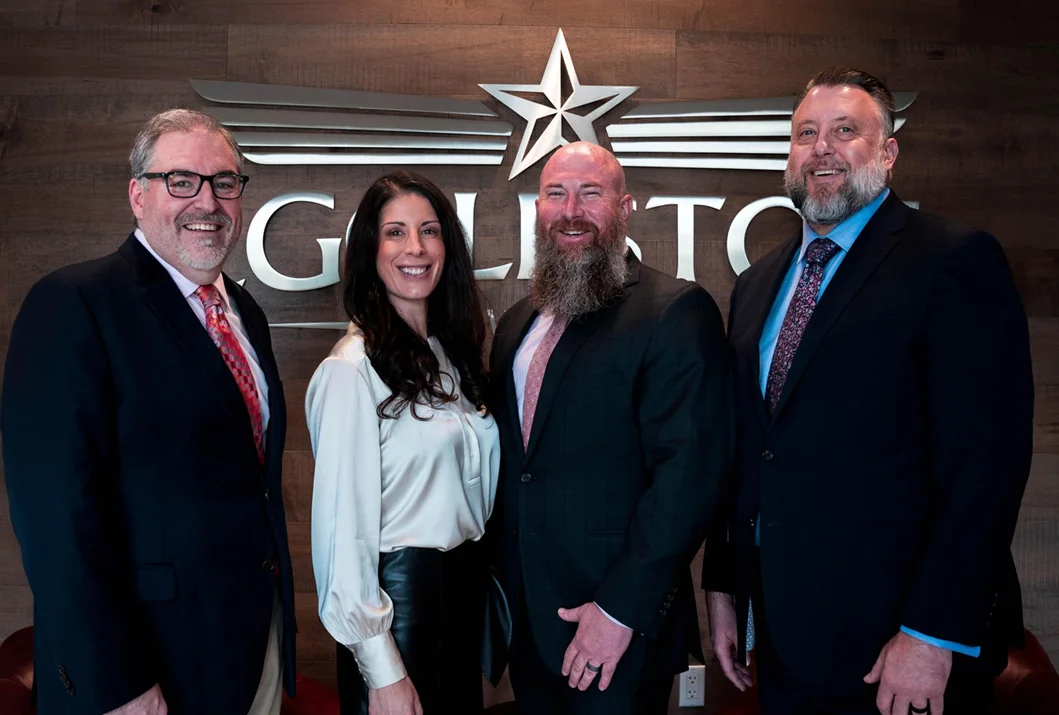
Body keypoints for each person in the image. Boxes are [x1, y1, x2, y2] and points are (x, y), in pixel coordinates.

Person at [702, 67, 1034, 715]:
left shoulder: (953, 260)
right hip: (785, 633)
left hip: (899, 640)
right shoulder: (758, 282)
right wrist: (725, 585)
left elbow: (986, 467)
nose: (821, 148)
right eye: (805, 134)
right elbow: (748, 451)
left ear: (887, 153)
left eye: (845, 131)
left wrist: (931, 633)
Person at [1, 109, 296, 714]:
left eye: (224, 182)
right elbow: (57, 520)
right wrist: (116, 683)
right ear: (138, 196)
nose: (207, 201)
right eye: (181, 181)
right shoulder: (74, 304)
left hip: (250, 643)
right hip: (143, 670)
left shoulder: (244, 312)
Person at [487, 141, 731, 715]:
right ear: (538, 209)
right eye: (555, 193)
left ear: (625, 208)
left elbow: (688, 478)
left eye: (590, 193)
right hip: (528, 622)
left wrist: (620, 611)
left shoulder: (674, 309)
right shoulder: (518, 322)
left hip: (617, 627)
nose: (571, 210)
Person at [306, 171, 499, 715]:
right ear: (370, 251)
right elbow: (342, 535)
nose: (415, 247)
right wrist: (382, 668)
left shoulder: (452, 354)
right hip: (400, 613)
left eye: (429, 231)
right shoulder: (350, 370)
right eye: (395, 232)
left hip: (463, 600)